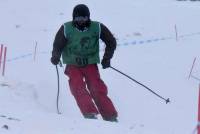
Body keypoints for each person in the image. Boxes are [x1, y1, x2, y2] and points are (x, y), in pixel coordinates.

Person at [50, 4, 118, 122]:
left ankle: (110, 116)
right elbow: (58, 44)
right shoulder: (66, 28)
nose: (81, 21)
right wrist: (55, 56)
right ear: (73, 18)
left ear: (88, 18)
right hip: (73, 63)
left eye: (83, 18)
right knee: (77, 86)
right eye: (77, 19)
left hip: (90, 63)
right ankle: (89, 113)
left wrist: (107, 58)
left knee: (96, 87)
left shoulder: (97, 27)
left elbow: (111, 42)